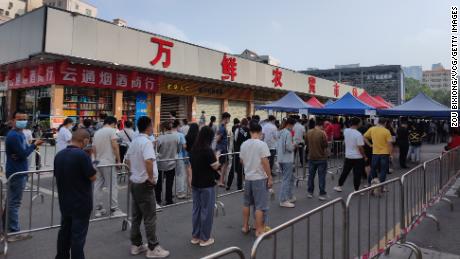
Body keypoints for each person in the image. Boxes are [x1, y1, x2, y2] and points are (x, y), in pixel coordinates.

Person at [125, 116, 170, 258]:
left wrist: (133, 173)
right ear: (148, 126)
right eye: (152, 125)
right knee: (150, 217)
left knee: (136, 215)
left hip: (135, 182)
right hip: (144, 184)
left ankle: (136, 245)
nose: (153, 128)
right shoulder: (146, 142)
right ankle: (153, 247)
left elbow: (126, 160)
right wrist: (150, 178)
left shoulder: (134, 142)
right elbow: (149, 161)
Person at [54, 129, 96, 259]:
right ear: (85, 141)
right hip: (81, 203)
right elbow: (92, 177)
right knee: (77, 237)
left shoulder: (59, 155)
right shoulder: (82, 156)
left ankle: (61, 256)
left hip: (65, 201)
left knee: (64, 233)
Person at [4, 111, 44, 239]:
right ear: (13, 120)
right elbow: (23, 153)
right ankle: (13, 232)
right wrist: (34, 145)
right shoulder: (14, 135)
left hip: (18, 169)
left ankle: (5, 227)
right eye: (19, 118)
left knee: (11, 202)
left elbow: (21, 153)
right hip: (16, 171)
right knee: (14, 203)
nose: (23, 120)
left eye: (25, 119)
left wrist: (25, 150)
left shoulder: (19, 133)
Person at [240, 122, 272, 237]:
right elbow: (265, 162)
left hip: (248, 177)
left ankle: (245, 226)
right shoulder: (261, 144)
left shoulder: (244, 144)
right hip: (259, 177)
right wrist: (270, 177)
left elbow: (242, 161)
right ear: (260, 132)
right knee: (260, 205)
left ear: (250, 132)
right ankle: (259, 230)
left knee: (246, 203)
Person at [189, 126, 220, 247]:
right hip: (207, 184)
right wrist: (217, 156)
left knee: (196, 210)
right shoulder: (207, 150)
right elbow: (215, 166)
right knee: (207, 211)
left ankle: (195, 236)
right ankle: (204, 238)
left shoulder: (194, 149)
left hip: (196, 183)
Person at [92, 116, 124, 217]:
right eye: (115, 125)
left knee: (98, 186)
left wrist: (96, 160)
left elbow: (93, 148)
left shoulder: (97, 132)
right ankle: (114, 209)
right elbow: (115, 146)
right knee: (112, 186)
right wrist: (118, 161)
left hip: (98, 162)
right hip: (108, 162)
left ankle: (98, 209)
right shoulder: (111, 131)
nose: (115, 126)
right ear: (113, 123)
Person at [333, 117, 366, 192]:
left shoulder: (346, 131)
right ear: (358, 123)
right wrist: (364, 156)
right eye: (360, 122)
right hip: (358, 157)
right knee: (357, 173)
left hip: (348, 156)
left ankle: (339, 186)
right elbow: (360, 147)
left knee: (345, 172)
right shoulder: (358, 134)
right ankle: (356, 189)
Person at [156, 121, 179, 205]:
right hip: (172, 163)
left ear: (164, 128)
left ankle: (157, 199)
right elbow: (178, 150)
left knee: (159, 183)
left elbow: (156, 150)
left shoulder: (160, 138)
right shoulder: (176, 137)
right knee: (170, 182)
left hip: (161, 163)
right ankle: (169, 199)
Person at [364, 118, 393, 185]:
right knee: (383, 170)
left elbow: (364, 137)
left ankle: (371, 182)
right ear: (385, 123)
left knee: (373, 168)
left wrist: (370, 145)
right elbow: (390, 144)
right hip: (385, 153)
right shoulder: (386, 131)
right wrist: (391, 154)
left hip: (375, 152)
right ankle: (381, 185)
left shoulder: (372, 129)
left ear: (378, 122)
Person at [306, 118, 329, 200]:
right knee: (321, 176)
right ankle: (321, 193)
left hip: (311, 157)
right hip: (321, 158)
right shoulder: (322, 133)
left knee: (311, 176)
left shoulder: (308, 132)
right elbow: (325, 145)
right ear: (321, 125)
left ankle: (310, 192)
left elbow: (307, 144)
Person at [276, 117, 296, 208]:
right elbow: (288, 147)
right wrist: (294, 146)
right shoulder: (288, 133)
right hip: (287, 159)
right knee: (287, 179)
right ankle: (283, 199)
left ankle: (289, 196)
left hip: (281, 158)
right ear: (290, 124)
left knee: (290, 178)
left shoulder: (280, 132)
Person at [227, 118, 250, 190]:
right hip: (244, 152)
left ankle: (228, 185)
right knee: (240, 169)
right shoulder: (249, 131)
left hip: (236, 151)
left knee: (232, 169)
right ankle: (239, 186)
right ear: (247, 123)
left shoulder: (237, 129)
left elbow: (235, 140)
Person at [172, 120, 188, 199]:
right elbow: (184, 146)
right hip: (179, 156)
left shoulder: (169, 134)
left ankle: (172, 191)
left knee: (171, 175)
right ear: (178, 126)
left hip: (169, 158)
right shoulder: (180, 135)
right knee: (180, 175)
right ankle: (180, 192)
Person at [216, 112, 231, 187]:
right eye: (229, 118)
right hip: (222, 148)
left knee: (225, 164)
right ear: (226, 118)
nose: (229, 120)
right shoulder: (222, 127)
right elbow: (217, 139)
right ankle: (220, 181)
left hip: (223, 148)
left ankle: (221, 180)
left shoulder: (223, 126)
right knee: (223, 165)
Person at [185, 123, 199, 187]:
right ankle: (196, 186)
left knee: (189, 172)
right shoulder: (199, 136)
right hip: (197, 155)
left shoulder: (187, 136)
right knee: (196, 172)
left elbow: (186, 147)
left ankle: (190, 188)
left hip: (189, 154)